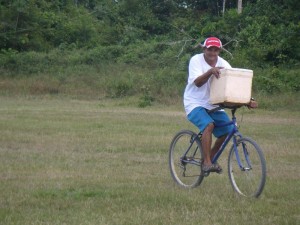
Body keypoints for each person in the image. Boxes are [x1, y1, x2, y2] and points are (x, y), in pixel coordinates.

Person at [183, 37, 257, 173]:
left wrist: (248, 100)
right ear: (204, 49)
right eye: (209, 49)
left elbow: (234, 84)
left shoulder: (224, 64)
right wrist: (210, 71)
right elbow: (198, 83)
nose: (212, 52)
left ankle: (209, 159)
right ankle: (206, 163)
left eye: (216, 49)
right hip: (194, 102)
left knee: (228, 131)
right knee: (209, 125)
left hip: (213, 104)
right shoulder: (196, 60)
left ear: (219, 50)